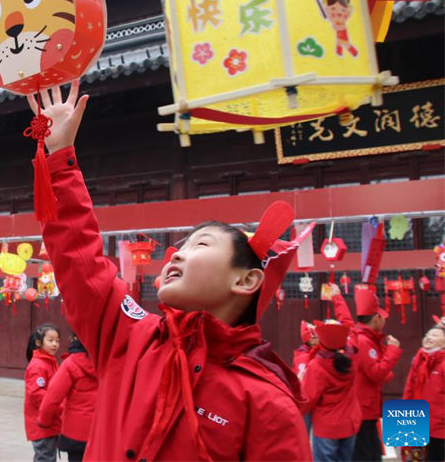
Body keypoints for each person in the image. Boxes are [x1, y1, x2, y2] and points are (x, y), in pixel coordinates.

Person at [28, 81, 312, 460]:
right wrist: (60, 156)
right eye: (181, 246)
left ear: (245, 280)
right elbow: (79, 259)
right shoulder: (129, 337)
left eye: (201, 245)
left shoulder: (264, 400)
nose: (176, 254)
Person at [333, 286, 402, 462]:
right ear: (377, 318)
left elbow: (379, 372)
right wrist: (393, 351)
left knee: (371, 454)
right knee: (366, 455)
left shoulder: (366, 338)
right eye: (383, 318)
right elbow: (377, 373)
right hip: (362, 411)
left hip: (366, 409)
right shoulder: (364, 341)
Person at [301, 320, 361, 461]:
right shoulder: (351, 359)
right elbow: (353, 334)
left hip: (326, 427)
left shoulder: (316, 366)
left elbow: (308, 399)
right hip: (350, 422)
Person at [38, 335, 98, 461]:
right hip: (104, 432)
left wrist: (44, 420)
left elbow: (52, 397)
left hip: (77, 433)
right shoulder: (110, 362)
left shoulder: (71, 363)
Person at [402, 325, 445, 462]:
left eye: (435, 335)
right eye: (427, 334)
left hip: (438, 428)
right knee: (412, 459)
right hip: (414, 423)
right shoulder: (418, 360)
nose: (429, 337)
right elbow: (408, 390)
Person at [25, 323, 61, 462]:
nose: (55, 344)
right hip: (41, 422)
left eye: (57, 340)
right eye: (50, 340)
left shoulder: (50, 362)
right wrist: (57, 404)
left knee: (48, 456)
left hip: (50, 419)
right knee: (45, 457)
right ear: (39, 342)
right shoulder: (38, 365)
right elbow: (36, 394)